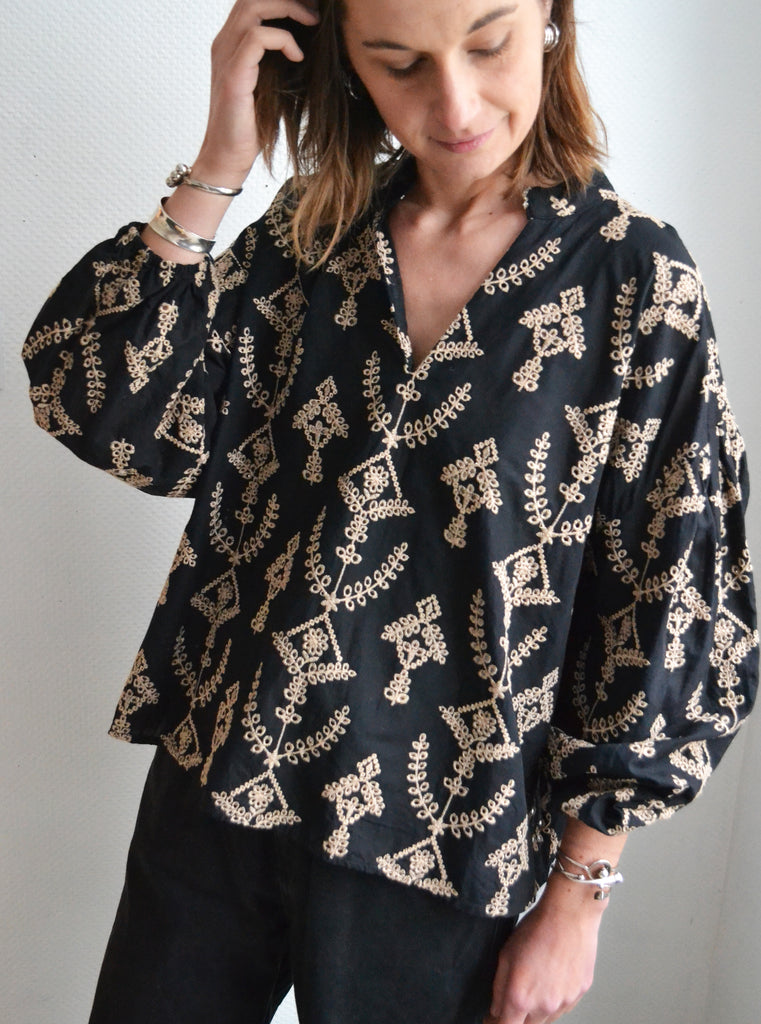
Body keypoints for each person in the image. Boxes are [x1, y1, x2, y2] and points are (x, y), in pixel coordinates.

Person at [22, 1, 758, 1022]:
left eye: (487, 44)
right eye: (399, 62)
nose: (454, 105)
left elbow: (668, 599)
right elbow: (104, 407)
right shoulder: (310, 233)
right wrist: (220, 158)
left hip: (442, 842)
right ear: (344, 64)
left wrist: (578, 895)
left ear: (548, 22)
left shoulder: (636, 282)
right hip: (218, 789)